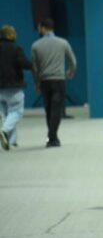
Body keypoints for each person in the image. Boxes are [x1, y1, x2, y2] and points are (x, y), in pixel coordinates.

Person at [31, 18, 77, 148]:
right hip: (59, 80)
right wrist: (70, 72)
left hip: (45, 81)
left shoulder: (35, 45)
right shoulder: (63, 43)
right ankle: (52, 137)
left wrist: (37, 82)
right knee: (57, 109)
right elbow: (73, 61)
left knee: (48, 109)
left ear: (43, 28)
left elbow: (35, 67)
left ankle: (52, 137)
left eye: (39, 28)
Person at [0, 25, 33, 150]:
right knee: (16, 112)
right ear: (11, 35)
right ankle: (4, 132)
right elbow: (23, 63)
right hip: (13, 86)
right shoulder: (15, 48)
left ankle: (11, 141)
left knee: (6, 115)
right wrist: (34, 66)